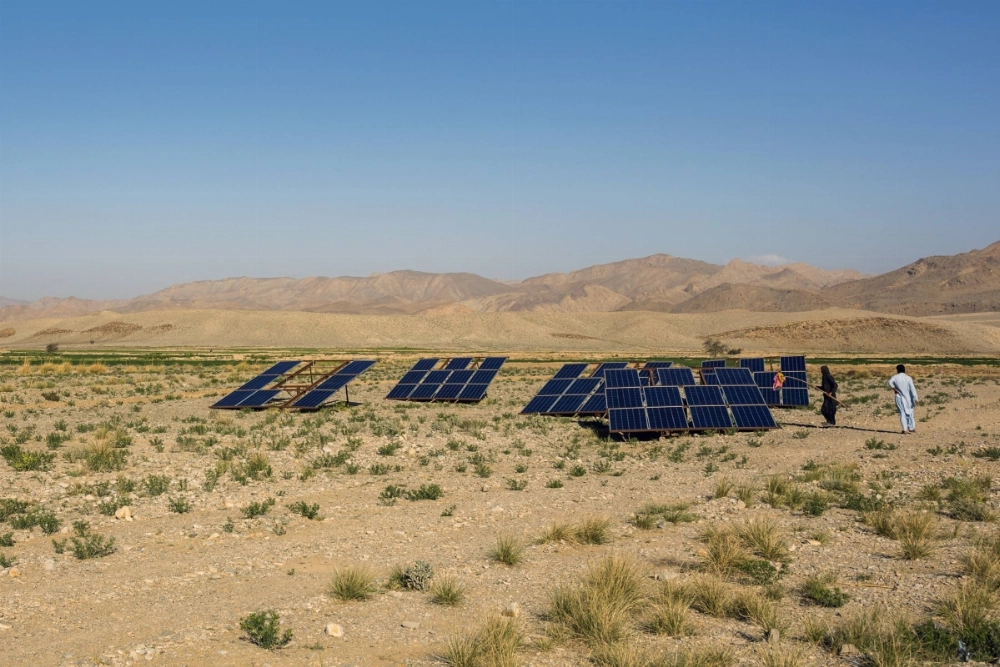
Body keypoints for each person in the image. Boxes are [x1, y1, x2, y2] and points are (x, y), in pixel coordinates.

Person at [888, 364, 919, 434]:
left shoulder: (895, 377)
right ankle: (911, 427)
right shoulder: (908, 378)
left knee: (902, 413)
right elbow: (912, 389)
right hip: (909, 398)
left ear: (897, 370)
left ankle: (905, 429)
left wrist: (894, 389)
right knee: (910, 412)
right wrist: (916, 398)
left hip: (899, 397)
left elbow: (889, 382)